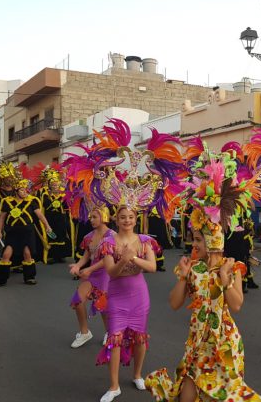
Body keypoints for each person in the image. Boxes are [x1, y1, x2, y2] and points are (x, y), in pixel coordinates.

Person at [145, 149, 261, 401]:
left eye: (198, 239)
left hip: (224, 344)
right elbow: (175, 304)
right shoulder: (193, 268)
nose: (193, 244)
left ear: (212, 241)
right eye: (194, 238)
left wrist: (224, 277)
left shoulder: (233, 267)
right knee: (187, 395)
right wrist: (182, 277)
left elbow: (237, 305)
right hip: (198, 343)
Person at [96, 205, 157, 401]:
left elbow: (152, 267)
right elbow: (111, 272)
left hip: (139, 295)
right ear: (116, 219)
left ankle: (137, 374)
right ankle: (114, 386)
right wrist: (123, 260)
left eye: (130, 217)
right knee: (115, 339)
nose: (127, 220)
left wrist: (134, 259)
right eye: (123, 217)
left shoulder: (144, 241)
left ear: (135, 219)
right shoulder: (108, 243)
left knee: (140, 337)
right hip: (116, 296)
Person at [0, 179, 53, 287]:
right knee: (6, 255)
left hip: (27, 233)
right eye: (23, 190)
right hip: (12, 234)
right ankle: (0, 280)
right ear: (16, 191)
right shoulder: (7, 201)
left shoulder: (32, 201)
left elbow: (40, 215)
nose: (25, 193)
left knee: (27, 254)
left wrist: (47, 226)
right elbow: (1, 218)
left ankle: (29, 277)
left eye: (26, 190)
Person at [68, 207, 114, 348]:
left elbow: (108, 259)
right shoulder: (89, 236)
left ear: (104, 217)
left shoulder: (112, 236)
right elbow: (87, 255)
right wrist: (78, 266)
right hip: (92, 273)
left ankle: (110, 332)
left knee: (103, 306)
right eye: (90, 217)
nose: (91, 220)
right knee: (78, 300)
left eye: (95, 217)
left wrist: (88, 269)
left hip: (106, 274)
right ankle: (84, 332)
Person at [36, 168, 73, 263]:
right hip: (50, 218)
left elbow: (67, 206)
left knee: (61, 235)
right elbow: (43, 205)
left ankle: (61, 255)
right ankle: (52, 256)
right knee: (52, 235)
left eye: (56, 185)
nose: (54, 186)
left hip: (61, 218)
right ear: (49, 185)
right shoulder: (45, 195)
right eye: (52, 185)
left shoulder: (63, 194)